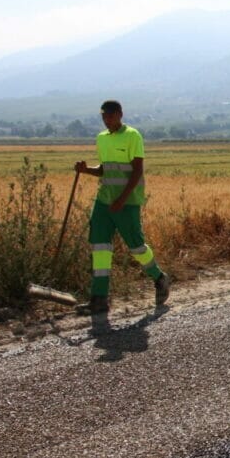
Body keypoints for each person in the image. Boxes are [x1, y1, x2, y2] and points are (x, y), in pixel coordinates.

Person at [73, 100, 171, 315]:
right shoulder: (101, 138)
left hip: (127, 203)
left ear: (119, 114)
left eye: (110, 116)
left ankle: (160, 278)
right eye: (103, 117)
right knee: (100, 248)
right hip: (104, 201)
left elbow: (137, 171)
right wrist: (86, 169)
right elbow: (105, 170)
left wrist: (122, 199)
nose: (106, 121)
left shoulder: (133, 136)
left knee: (136, 246)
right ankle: (99, 299)